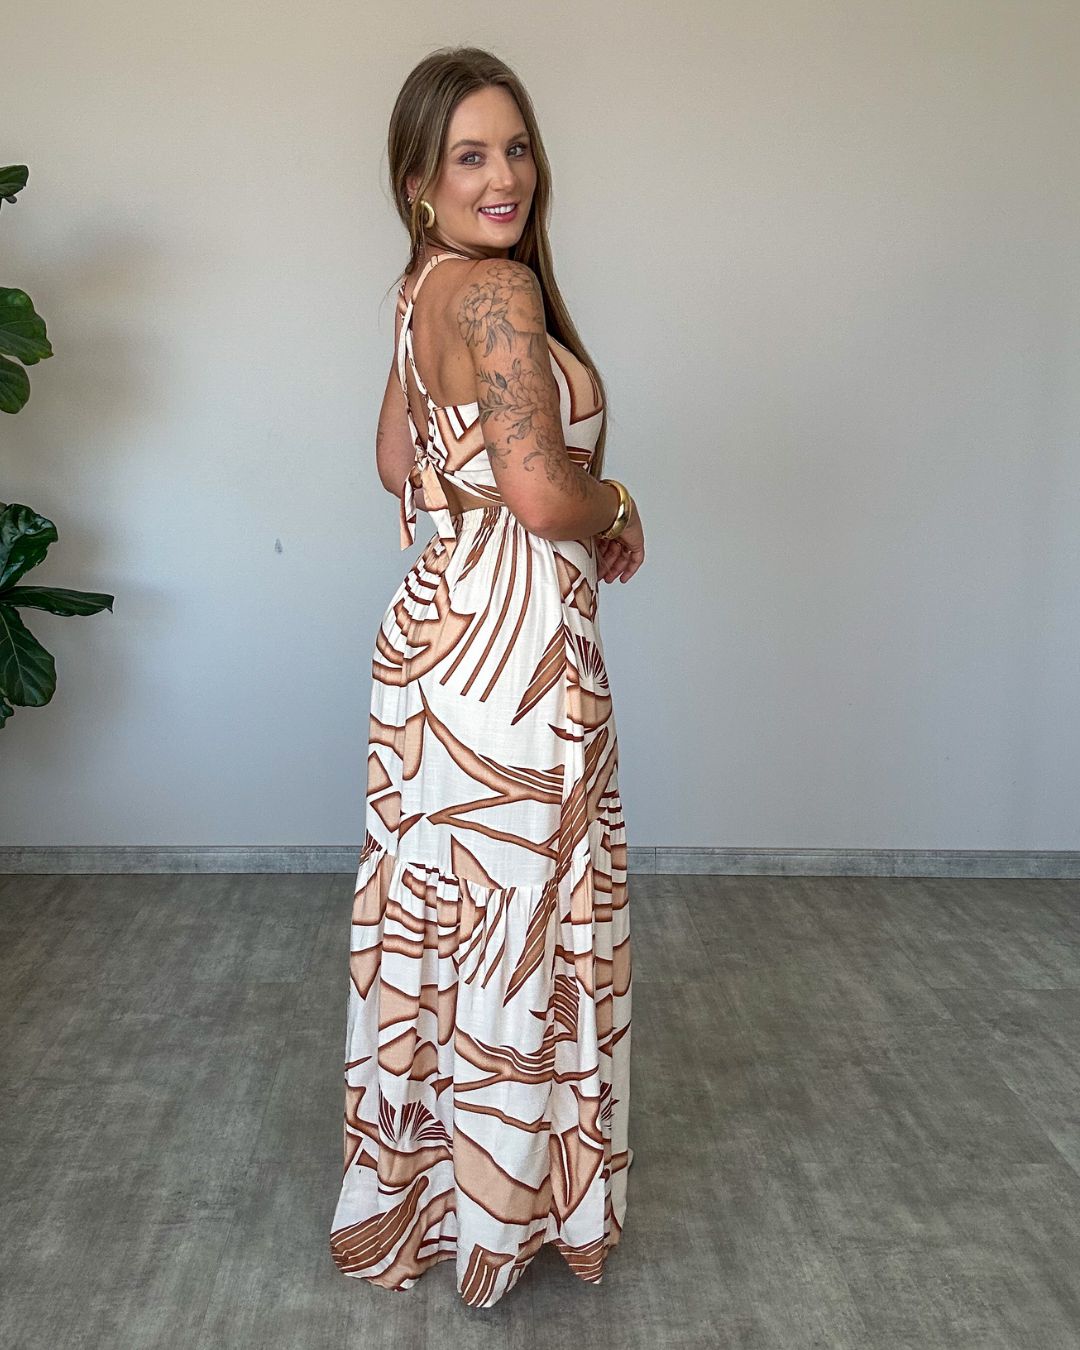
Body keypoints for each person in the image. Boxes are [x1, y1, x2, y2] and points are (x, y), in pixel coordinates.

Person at [329, 45, 645, 1310]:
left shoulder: (423, 289)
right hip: (517, 659)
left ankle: (431, 1201)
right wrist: (617, 504)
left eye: (515, 148)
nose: (503, 174)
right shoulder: (501, 292)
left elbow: (392, 458)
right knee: (518, 933)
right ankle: (509, 1221)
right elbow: (540, 491)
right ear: (420, 179)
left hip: (431, 645)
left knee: (444, 927)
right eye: (470, 155)